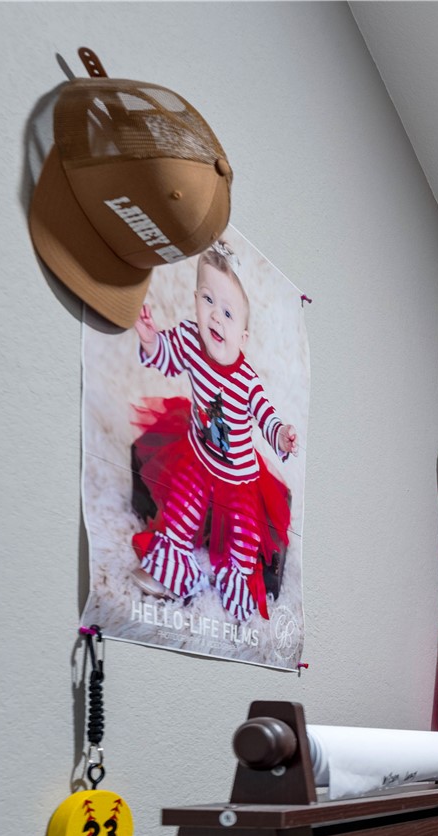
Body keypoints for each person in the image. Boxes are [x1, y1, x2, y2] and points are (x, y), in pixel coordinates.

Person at [129, 242, 300, 621]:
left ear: (243, 337)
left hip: (238, 476)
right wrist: (149, 337)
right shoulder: (191, 340)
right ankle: (173, 572)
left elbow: (266, 415)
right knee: (180, 512)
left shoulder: (246, 379)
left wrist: (281, 434)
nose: (215, 318)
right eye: (207, 300)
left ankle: (235, 585)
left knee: (242, 541)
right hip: (196, 452)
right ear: (194, 301)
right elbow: (167, 356)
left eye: (227, 313)